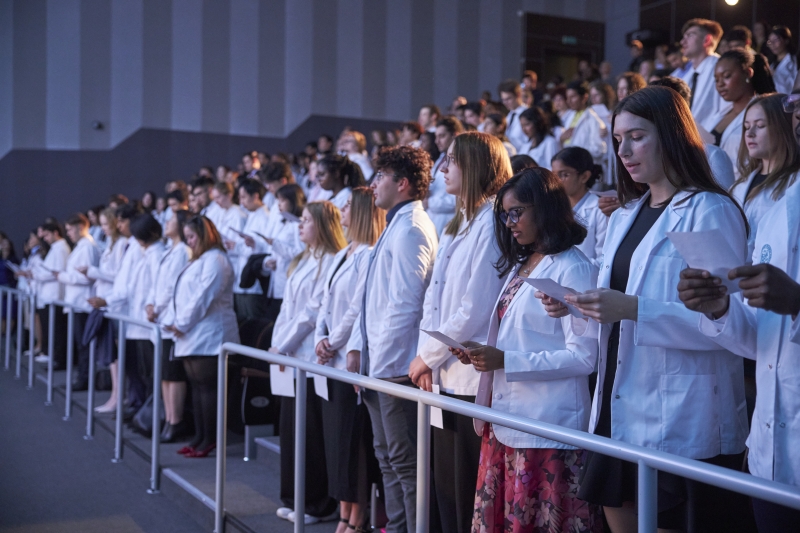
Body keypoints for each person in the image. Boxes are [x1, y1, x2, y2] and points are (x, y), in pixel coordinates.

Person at [548, 87, 751, 532]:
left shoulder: (709, 210)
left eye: (636, 137)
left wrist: (634, 309)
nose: (623, 151)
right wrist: (578, 308)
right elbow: (619, 307)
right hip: (617, 406)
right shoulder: (625, 215)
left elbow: (735, 328)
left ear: (672, 136)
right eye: (618, 140)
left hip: (680, 415)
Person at [450, 167, 602, 533]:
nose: (509, 222)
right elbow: (517, 335)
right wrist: (481, 351)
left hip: (546, 429)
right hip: (506, 423)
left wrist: (506, 361)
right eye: (504, 215)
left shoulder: (575, 267)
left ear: (546, 208)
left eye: (516, 212)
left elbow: (585, 355)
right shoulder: (522, 264)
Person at [676, 172, 800, 533]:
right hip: (770, 462)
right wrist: (719, 308)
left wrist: (797, 303)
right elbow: (765, 342)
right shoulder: (779, 210)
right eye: (792, 109)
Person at [407, 132, 510, 532]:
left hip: (467, 375)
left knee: (466, 489)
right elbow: (433, 302)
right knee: (445, 487)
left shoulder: (492, 222)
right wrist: (426, 359)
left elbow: (475, 308)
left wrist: (426, 357)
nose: (442, 168)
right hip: (441, 371)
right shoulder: (459, 223)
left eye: (452, 160)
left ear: (478, 166)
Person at [346, 146, 438, 533]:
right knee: (387, 457)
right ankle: (397, 526)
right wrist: (357, 349)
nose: (372, 184)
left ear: (402, 183)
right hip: (379, 366)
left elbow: (406, 304)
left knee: (404, 460)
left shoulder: (413, 228)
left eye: (380, 176)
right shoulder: (397, 224)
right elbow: (373, 299)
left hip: (395, 369)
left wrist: (383, 369)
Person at [311, 188, 384, 532]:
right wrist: (320, 339)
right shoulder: (344, 252)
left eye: (347, 206)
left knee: (352, 444)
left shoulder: (369, 253)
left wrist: (334, 341)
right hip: (330, 358)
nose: (341, 211)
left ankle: (356, 518)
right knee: (335, 443)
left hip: (348, 360)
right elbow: (323, 304)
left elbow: (357, 308)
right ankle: (343, 513)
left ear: (364, 212)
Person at [270, 202, 345, 524]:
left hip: (308, 356)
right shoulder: (303, 259)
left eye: (305, 220)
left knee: (311, 432)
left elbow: (311, 313)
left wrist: (282, 346)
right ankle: (294, 496)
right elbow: (288, 309)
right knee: (291, 430)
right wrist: (278, 346)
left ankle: (316, 502)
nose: (299, 226)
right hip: (288, 353)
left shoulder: (329, 260)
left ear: (324, 225)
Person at [169, 216, 239, 458]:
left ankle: (210, 439)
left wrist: (181, 323)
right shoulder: (200, 259)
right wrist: (177, 322)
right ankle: (200, 437)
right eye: (186, 237)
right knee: (197, 388)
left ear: (205, 235)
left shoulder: (217, 260)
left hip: (211, 334)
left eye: (192, 237)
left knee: (209, 389)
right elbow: (183, 295)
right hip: (192, 332)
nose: (189, 242)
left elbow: (202, 297)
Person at [732, 93, 800, 259]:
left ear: (783, 127)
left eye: (760, 126)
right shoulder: (740, 184)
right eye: (746, 127)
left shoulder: (794, 182)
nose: (750, 134)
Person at [145, 210, 192, 443]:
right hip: (162, 317)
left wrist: (157, 306)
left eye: (171, 220)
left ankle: (176, 420)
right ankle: (168, 418)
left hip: (171, 317)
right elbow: (158, 283)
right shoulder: (170, 250)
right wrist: (151, 303)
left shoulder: (183, 251)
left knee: (173, 374)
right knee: (164, 373)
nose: (166, 223)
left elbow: (172, 286)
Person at [700, 49, 776, 180]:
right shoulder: (720, 113)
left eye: (727, 76)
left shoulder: (764, 112)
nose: (720, 84)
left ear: (748, 73)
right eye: (716, 80)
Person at [82, 207, 128, 412]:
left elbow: (118, 276)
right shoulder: (111, 244)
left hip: (114, 303)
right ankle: (115, 395)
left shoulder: (122, 244)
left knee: (116, 354)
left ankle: (118, 395)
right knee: (112, 355)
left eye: (105, 224)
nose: (103, 228)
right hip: (106, 303)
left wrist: (93, 271)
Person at [55, 214, 99, 391]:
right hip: (76, 302)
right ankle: (82, 378)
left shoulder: (87, 246)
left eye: (70, 230)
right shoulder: (81, 246)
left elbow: (87, 277)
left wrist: (62, 276)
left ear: (81, 226)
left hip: (83, 303)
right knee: (80, 344)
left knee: (83, 344)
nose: (68, 234)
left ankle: (84, 380)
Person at [551, 147, 607, 265]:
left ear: (584, 176)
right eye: (554, 176)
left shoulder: (600, 210)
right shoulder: (554, 207)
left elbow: (603, 260)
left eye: (564, 175)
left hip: (585, 277)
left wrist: (571, 268)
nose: (557, 181)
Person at [228, 179, 273, 324]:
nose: (241, 202)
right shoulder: (252, 215)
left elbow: (267, 250)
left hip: (255, 283)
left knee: (255, 323)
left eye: (244, 197)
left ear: (255, 196)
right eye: (239, 197)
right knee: (244, 323)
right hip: (244, 278)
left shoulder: (266, 217)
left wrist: (253, 245)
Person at [261, 184, 306, 322]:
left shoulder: (298, 224)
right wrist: (268, 262)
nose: (278, 204)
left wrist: (276, 245)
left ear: (293, 201)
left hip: (289, 282)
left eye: (282, 200)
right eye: (277, 200)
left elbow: (301, 253)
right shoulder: (284, 223)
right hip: (277, 280)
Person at [28, 222, 70, 369]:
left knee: (57, 330)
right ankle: (54, 356)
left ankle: (58, 359)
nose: (44, 239)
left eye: (46, 235)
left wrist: (37, 275)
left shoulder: (60, 249)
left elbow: (55, 272)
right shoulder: (56, 249)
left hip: (55, 295)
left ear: (55, 233)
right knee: (51, 328)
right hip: (49, 294)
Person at [677, 18, 725, 120]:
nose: (682, 42)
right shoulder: (687, 75)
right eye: (683, 37)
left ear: (707, 40)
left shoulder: (721, 67)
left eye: (690, 35)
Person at [428, 116, 464, 235]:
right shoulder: (440, 159)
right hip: (432, 219)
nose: (436, 141)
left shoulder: (462, 161)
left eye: (442, 136)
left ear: (455, 135)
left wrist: (430, 202)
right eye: (436, 137)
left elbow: (458, 199)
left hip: (448, 221)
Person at [560, 81, 607, 164]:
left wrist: (576, 153)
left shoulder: (593, 119)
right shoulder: (569, 117)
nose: (569, 101)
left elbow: (598, 150)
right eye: (567, 97)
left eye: (573, 97)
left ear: (584, 97)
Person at [518, 106, 561, 170]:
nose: (524, 129)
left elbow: (553, 169)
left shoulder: (550, 142)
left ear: (537, 123)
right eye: (522, 126)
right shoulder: (526, 144)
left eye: (527, 124)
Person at [498, 79, 529, 152]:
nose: (505, 103)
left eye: (508, 99)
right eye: (503, 99)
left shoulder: (528, 113)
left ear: (518, 95)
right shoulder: (509, 115)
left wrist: (509, 140)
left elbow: (529, 142)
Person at [767, 26, 799, 94]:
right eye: (770, 41)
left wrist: (776, 74)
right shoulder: (772, 63)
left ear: (786, 40)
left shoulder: (794, 62)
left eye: (776, 40)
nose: (772, 44)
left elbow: (793, 85)